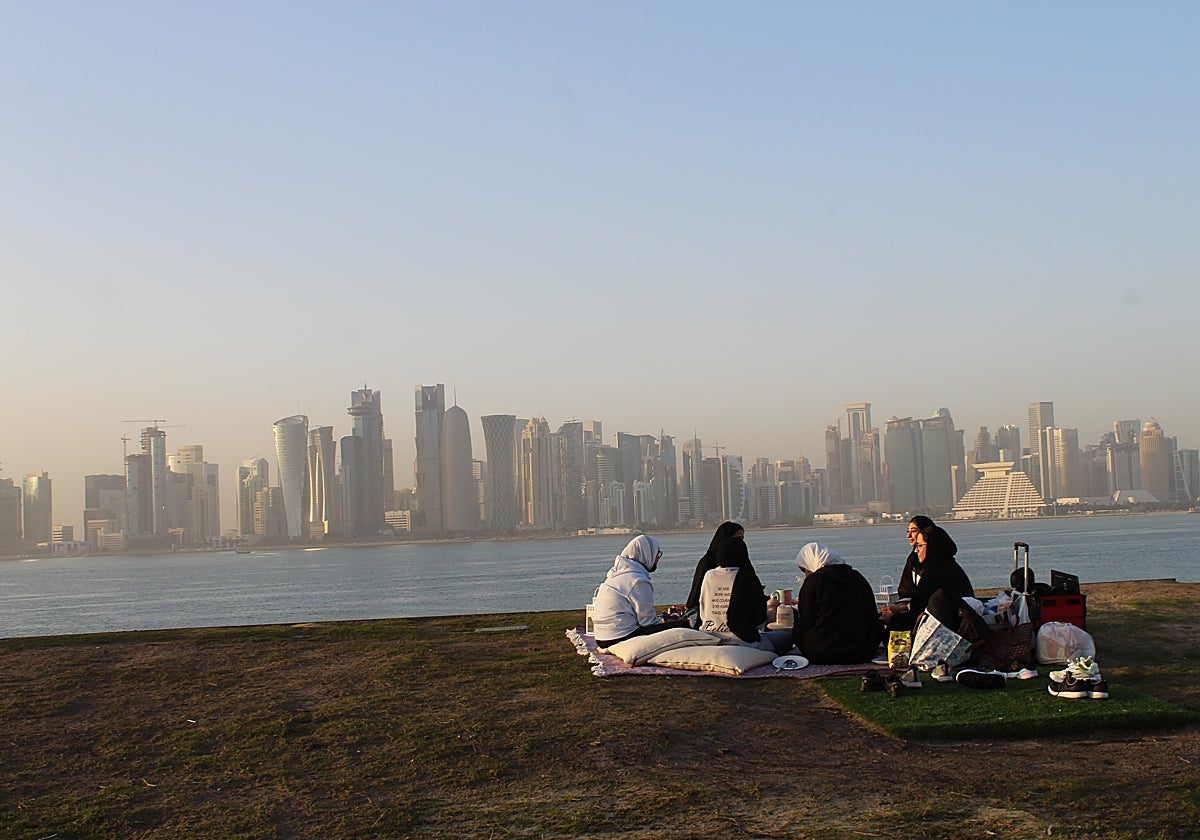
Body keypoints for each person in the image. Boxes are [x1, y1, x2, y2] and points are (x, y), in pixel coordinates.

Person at [881, 522, 989, 645]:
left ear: (931, 547)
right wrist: (903, 608)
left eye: (920, 546)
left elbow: (920, 612)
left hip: (946, 631)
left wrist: (892, 619)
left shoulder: (934, 573)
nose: (916, 550)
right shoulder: (949, 566)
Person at [697, 535, 793, 654]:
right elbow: (759, 623)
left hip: (710, 637)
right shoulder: (747, 577)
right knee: (786, 638)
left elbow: (703, 610)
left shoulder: (709, 576)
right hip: (743, 642)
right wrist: (771, 610)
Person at [792, 542, 884, 664]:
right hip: (864, 650)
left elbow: (806, 621)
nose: (806, 574)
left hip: (824, 652)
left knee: (797, 632)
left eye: (804, 570)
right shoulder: (857, 577)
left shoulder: (814, 582)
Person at [593, 535, 685, 648]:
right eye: (658, 554)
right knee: (684, 625)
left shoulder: (617, 574)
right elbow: (647, 622)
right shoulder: (637, 580)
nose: (658, 558)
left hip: (602, 637)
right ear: (647, 554)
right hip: (619, 636)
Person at [684, 521, 746, 615]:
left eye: (742, 538)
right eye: (737, 538)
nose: (740, 542)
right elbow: (698, 594)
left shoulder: (740, 560)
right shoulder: (708, 562)